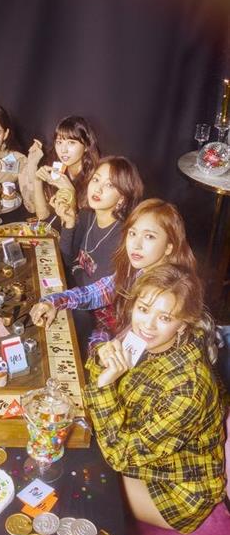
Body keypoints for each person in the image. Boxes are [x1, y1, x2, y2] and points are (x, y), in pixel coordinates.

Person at [83, 264, 226, 533]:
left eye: (165, 318)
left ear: (183, 323)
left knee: (85, 484)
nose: (147, 325)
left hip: (177, 489)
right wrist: (103, 355)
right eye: (143, 309)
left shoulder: (188, 390)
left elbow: (120, 456)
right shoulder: (148, 340)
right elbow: (100, 370)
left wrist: (104, 386)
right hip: (146, 455)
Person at [30, 199, 197, 351]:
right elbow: (96, 292)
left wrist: (98, 347)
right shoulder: (138, 269)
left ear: (169, 246)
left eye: (149, 236)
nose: (136, 244)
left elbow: (130, 346)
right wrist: (54, 302)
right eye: (132, 233)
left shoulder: (170, 289)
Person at [52, 156, 143, 356]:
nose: (98, 189)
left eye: (109, 185)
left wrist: (70, 280)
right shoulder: (87, 216)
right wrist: (69, 223)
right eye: (96, 179)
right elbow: (66, 260)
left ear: (122, 198)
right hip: (76, 296)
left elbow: (97, 293)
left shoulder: (123, 238)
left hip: (100, 317)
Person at [29, 115, 100, 222]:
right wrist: (37, 181)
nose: (63, 150)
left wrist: (71, 192)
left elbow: (84, 227)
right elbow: (42, 215)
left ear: (86, 146)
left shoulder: (95, 177)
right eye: (59, 142)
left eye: (71, 142)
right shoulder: (54, 167)